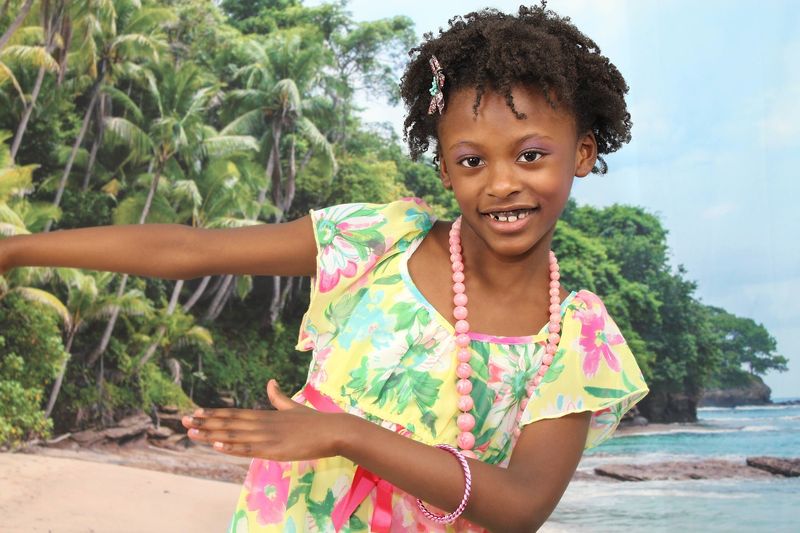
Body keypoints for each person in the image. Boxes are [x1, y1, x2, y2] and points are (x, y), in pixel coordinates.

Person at [0, 3, 649, 531]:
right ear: (445, 166)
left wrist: (344, 432)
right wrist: (15, 250)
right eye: (472, 160)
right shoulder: (382, 242)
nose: (502, 182)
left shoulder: (575, 337)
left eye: (531, 154)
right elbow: (190, 252)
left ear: (583, 153)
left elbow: (520, 506)